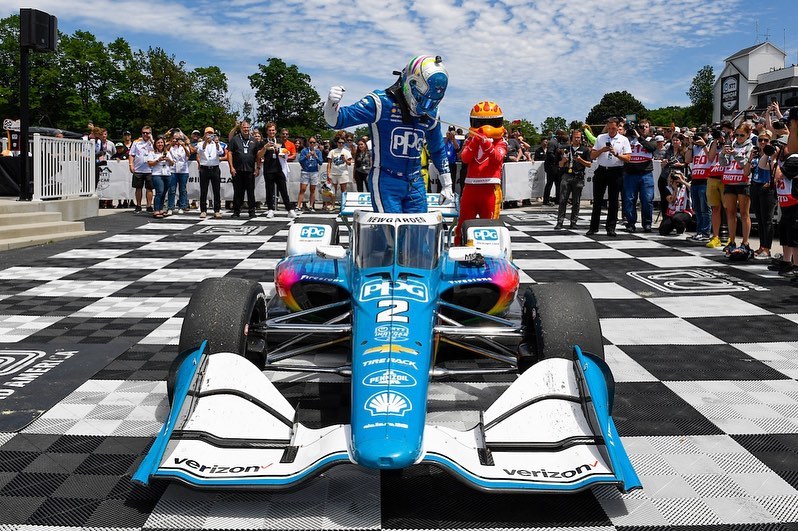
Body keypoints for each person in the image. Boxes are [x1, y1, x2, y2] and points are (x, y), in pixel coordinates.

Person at [323, 54, 452, 213]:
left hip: (416, 181)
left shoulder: (432, 113)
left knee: (420, 226)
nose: (425, 107)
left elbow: (437, 149)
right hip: (386, 180)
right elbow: (336, 121)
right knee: (391, 227)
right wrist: (331, 104)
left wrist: (447, 184)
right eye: (422, 99)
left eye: (432, 102)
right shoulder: (380, 102)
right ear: (410, 83)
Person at [454, 101, 507, 245]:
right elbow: (465, 158)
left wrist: (486, 143)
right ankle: (459, 250)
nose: (485, 127)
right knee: (462, 225)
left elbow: (497, 158)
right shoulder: (471, 140)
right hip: (470, 189)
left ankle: (490, 255)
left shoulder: (501, 142)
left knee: (490, 227)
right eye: (480, 123)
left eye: (491, 123)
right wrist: (476, 141)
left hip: (490, 189)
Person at [587, 117, 631, 236]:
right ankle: (593, 227)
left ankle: (611, 227)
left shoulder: (623, 139)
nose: (611, 131)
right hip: (602, 170)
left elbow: (628, 158)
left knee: (613, 200)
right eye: (609, 128)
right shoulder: (601, 138)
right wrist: (602, 150)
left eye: (613, 128)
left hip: (616, 171)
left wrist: (616, 154)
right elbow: (592, 156)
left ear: (618, 127)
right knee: (597, 200)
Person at [720, 123, 755, 255]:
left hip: (743, 182)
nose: (739, 137)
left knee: (744, 213)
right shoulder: (732, 144)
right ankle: (732, 241)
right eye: (737, 135)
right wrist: (722, 153)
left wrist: (735, 153)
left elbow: (744, 164)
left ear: (748, 135)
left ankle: (745, 242)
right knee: (730, 212)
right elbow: (723, 163)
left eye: (742, 135)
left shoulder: (750, 147)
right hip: (729, 180)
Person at [622, 120, 657, 233]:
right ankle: (630, 223)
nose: (643, 129)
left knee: (647, 200)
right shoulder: (627, 139)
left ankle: (647, 223)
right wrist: (628, 131)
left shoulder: (651, 139)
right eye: (641, 127)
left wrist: (639, 137)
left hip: (645, 174)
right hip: (630, 174)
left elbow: (651, 148)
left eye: (646, 127)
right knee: (629, 199)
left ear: (649, 128)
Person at [256, 122, 296, 218]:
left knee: (283, 190)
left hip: (279, 168)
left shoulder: (280, 141)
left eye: (273, 130)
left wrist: (279, 149)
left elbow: (286, 153)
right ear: (267, 132)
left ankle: (289, 209)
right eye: (269, 130)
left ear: (276, 131)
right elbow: (259, 155)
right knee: (269, 190)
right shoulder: (263, 142)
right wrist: (265, 147)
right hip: (268, 169)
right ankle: (270, 209)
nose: (271, 132)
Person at [555, 129, 592, 230]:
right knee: (563, 200)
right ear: (571, 138)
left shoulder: (585, 150)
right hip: (567, 175)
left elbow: (589, 164)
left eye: (579, 137)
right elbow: (559, 164)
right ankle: (560, 221)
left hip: (578, 176)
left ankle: (573, 221)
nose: (577, 139)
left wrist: (580, 160)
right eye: (575, 137)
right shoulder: (565, 149)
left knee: (576, 201)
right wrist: (563, 160)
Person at [750, 129, 778, 259]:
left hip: (767, 187)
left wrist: (770, 183)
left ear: (770, 141)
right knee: (760, 219)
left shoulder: (772, 154)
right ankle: (762, 246)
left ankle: (767, 248)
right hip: (755, 185)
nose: (762, 142)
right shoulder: (755, 154)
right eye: (760, 139)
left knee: (767, 220)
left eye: (765, 140)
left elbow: (774, 171)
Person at [227, 120, 262, 219]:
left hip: (250, 170)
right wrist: (231, 167)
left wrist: (258, 168)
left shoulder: (254, 140)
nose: (246, 129)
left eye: (247, 128)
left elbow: (258, 155)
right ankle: (236, 211)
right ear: (241, 128)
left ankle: (252, 211)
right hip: (237, 170)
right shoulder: (235, 139)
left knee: (251, 192)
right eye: (244, 127)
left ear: (250, 128)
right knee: (238, 192)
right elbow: (229, 153)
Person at [685, 129, 712, 241]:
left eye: (702, 136)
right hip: (695, 179)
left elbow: (711, 157)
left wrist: (704, 145)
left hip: (705, 180)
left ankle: (706, 232)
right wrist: (691, 145)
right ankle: (699, 231)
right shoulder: (695, 148)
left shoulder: (709, 146)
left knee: (705, 208)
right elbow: (687, 160)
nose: (699, 139)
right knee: (697, 208)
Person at [197, 126, 225, 219]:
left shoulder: (216, 143)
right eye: (207, 133)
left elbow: (220, 152)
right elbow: (200, 151)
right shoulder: (200, 143)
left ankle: (217, 210)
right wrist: (205, 141)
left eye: (211, 133)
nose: (209, 135)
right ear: (204, 134)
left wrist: (216, 143)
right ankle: (203, 210)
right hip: (204, 168)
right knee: (203, 190)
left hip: (215, 168)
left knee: (216, 190)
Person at [128, 126, 154, 213]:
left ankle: (149, 205)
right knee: (138, 188)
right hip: (138, 169)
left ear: (150, 133)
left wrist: (152, 140)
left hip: (150, 169)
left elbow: (158, 150)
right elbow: (131, 154)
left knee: (149, 188)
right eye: (143, 133)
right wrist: (131, 164)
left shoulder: (153, 142)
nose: (145, 134)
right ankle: (138, 205)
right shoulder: (136, 142)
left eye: (147, 133)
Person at [659, 171, 693, 235]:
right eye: (675, 178)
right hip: (672, 213)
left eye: (678, 178)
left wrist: (682, 181)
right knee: (663, 230)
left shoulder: (685, 186)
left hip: (684, 212)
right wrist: (675, 189)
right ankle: (673, 226)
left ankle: (681, 228)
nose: (677, 180)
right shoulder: (668, 188)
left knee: (677, 218)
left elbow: (692, 189)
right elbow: (671, 201)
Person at [148, 136, 173, 218]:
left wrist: (168, 160)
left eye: (161, 142)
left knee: (164, 193)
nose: (160, 144)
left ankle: (161, 208)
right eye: (158, 142)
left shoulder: (167, 152)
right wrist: (158, 160)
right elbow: (150, 163)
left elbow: (172, 163)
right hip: (157, 174)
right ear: (155, 144)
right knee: (159, 191)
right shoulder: (152, 153)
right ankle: (156, 210)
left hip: (167, 174)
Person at [297, 136, 324, 212]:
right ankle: (298, 205)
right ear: (308, 143)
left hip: (314, 171)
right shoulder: (304, 150)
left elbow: (321, 162)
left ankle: (311, 206)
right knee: (302, 189)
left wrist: (316, 156)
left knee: (313, 189)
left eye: (313, 142)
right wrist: (307, 156)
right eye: (311, 142)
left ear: (315, 143)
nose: (312, 144)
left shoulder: (318, 151)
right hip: (305, 171)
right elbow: (300, 160)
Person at [168, 131, 191, 215]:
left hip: (183, 170)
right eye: (176, 139)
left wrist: (183, 145)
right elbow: (165, 152)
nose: (177, 141)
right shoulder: (171, 147)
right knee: (172, 189)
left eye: (179, 139)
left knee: (182, 189)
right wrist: (171, 144)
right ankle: (170, 207)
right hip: (173, 170)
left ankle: (182, 206)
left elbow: (188, 155)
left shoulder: (184, 147)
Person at [327, 136, 353, 201]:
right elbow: (329, 163)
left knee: (343, 190)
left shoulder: (347, 152)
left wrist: (345, 160)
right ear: (337, 143)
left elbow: (349, 163)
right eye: (339, 142)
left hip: (343, 173)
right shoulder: (332, 151)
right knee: (333, 190)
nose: (341, 144)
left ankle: (343, 204)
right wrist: (328, 174)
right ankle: (332, 204)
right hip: (333, 173)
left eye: (342, 143)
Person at [543, 130, 565, 205]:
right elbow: (550, 153)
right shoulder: (553, 142)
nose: (564, 136)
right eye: (563, 134)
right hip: (551, 166)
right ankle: (546, 200)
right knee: (550, 183)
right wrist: (557, 160)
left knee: (558, 183)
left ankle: (558, 199)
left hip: (555, 165)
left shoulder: (557, 142)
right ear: (559, 135)